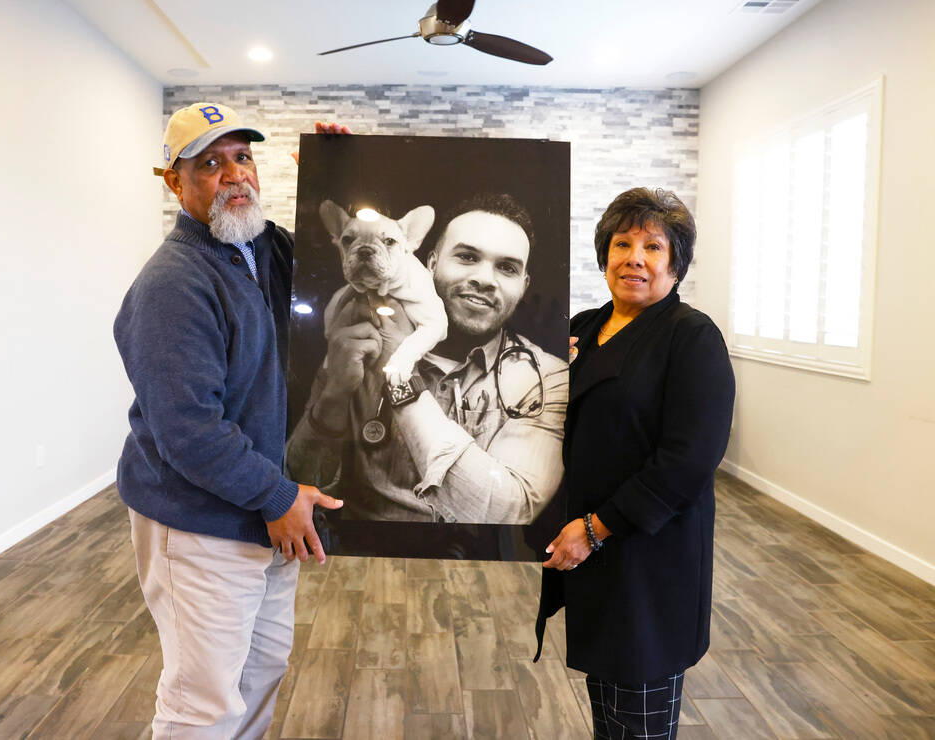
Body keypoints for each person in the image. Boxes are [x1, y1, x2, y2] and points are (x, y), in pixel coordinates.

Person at [114, 102, 349, 738]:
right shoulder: (174, 283)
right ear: (174, 180)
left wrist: (334, 182)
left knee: (260, 673)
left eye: (242, 157)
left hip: (267, 516)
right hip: (203, 521)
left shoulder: (257, 250)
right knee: (204, 701)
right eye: (211, 164)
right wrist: (278, 494)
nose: (234, 175)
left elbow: (334, 278)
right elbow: (188, 429)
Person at [535, 188, 735, 739]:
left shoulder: (691, 337)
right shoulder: (581, 327)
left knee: (638, 716)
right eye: (623, 243)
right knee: (610, 705)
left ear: (675, 263)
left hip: (648, 556)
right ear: (605, 254)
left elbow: (687, 461)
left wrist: (598, 529)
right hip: (592, 553)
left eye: (653, 246)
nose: (635, 258)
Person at [286, 193, 568, 526]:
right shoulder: (353, 339)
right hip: (364, 559)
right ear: (430, 262)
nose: (484, 279)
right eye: (466, 257)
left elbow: (506, 511)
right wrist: (334, 393)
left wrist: (398, 372)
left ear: (523, 286)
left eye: (507, 268)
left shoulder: (547, 376)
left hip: (481, 566)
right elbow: (298, 487)